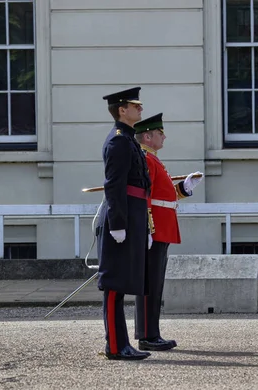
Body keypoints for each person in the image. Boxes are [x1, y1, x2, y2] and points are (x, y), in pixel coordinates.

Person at [133, 112, 204, 351]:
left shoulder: (153, 160)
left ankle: (151, 333)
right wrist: (148, 229)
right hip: (154, 229)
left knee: (155, 283)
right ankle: (147, 336)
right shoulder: (144, 159)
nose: (164, 137)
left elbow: (165, 195)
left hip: (162, 227)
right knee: (150, 284)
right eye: (160, 133)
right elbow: (144, 198)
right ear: (148, 135)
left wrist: (184, 187)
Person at [96, 87, 152, 360]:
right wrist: (118, 224)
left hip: (133, 215)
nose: (140, 109)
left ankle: (122, 343)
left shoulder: (128, 140)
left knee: (122, 283)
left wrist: (145, 226)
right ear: (122, 110)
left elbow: (142, 186)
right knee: (114, 285)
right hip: (122, 217)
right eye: (135, 105)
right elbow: (114, 186)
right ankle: (116, 346)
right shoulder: (118, 141)